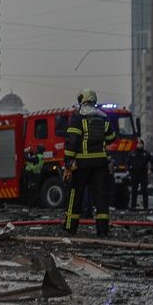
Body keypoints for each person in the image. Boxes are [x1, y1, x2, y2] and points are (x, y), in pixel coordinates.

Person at [63, 88, 116, 236]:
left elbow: (72, 142)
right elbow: (112, 137)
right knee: (101, 198)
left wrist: (68, 160)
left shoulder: (78, 118)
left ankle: (70, 228)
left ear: (82, 101)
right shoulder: (103, 118)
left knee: (75, 196)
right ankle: (102, 230)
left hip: (81, 165)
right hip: (100, 165)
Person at [126, 139, 153, 210]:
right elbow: (127, 163)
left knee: (144, 191)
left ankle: (145, 207)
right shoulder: (132, 153)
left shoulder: (146, 153)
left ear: (143, 145)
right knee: (134, 191)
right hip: (134, 174)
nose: (139, 145)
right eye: (138, 144)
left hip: (143, 174)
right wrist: (128, 171)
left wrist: (151, 170)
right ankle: (133, 206)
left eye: (140, 144)